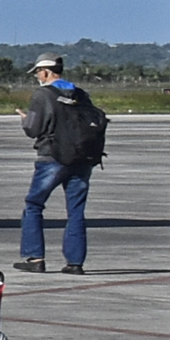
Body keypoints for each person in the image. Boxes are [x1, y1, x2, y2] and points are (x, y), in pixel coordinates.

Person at [16, 55, 105, 274]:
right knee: (76, 211)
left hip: (53, 157)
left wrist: (25, 119)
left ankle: (35, 257)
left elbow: (33, 130)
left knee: (34, 205)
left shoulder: (43, 95)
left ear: (45, 72)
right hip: (83, 158)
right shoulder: (81, 94)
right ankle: (75, 263)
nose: (38, 76)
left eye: (38, 72)